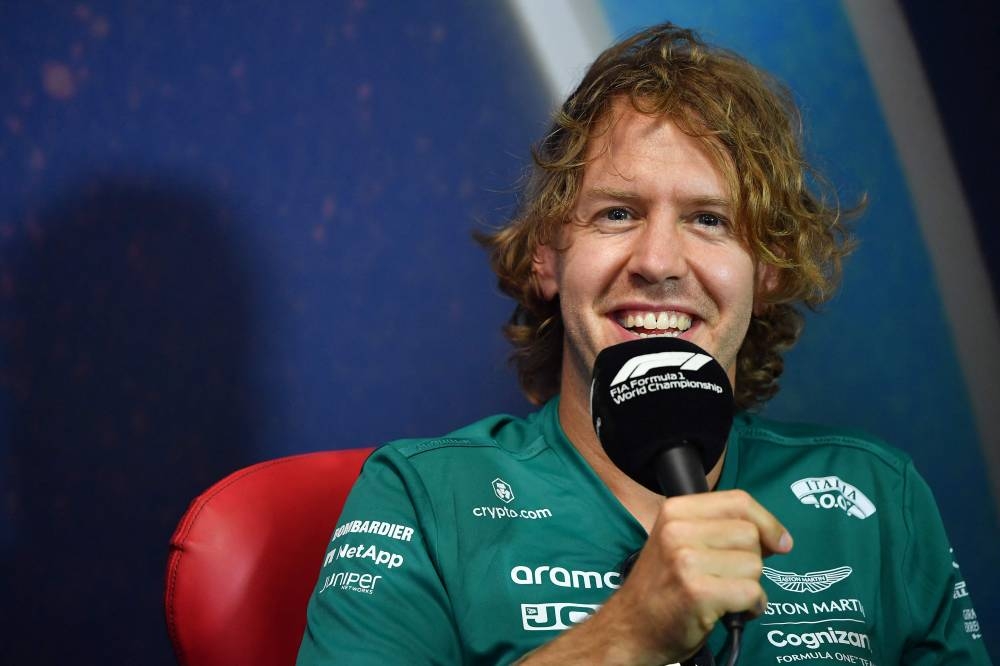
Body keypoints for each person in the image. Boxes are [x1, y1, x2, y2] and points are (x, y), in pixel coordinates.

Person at [297, 23, 989, 665]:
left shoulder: (876, 497)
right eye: (618, 213)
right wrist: (627, 632)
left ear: (770, 269)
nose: (658, 262)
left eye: (710, 220)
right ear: (547, 255)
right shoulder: (424, 497)